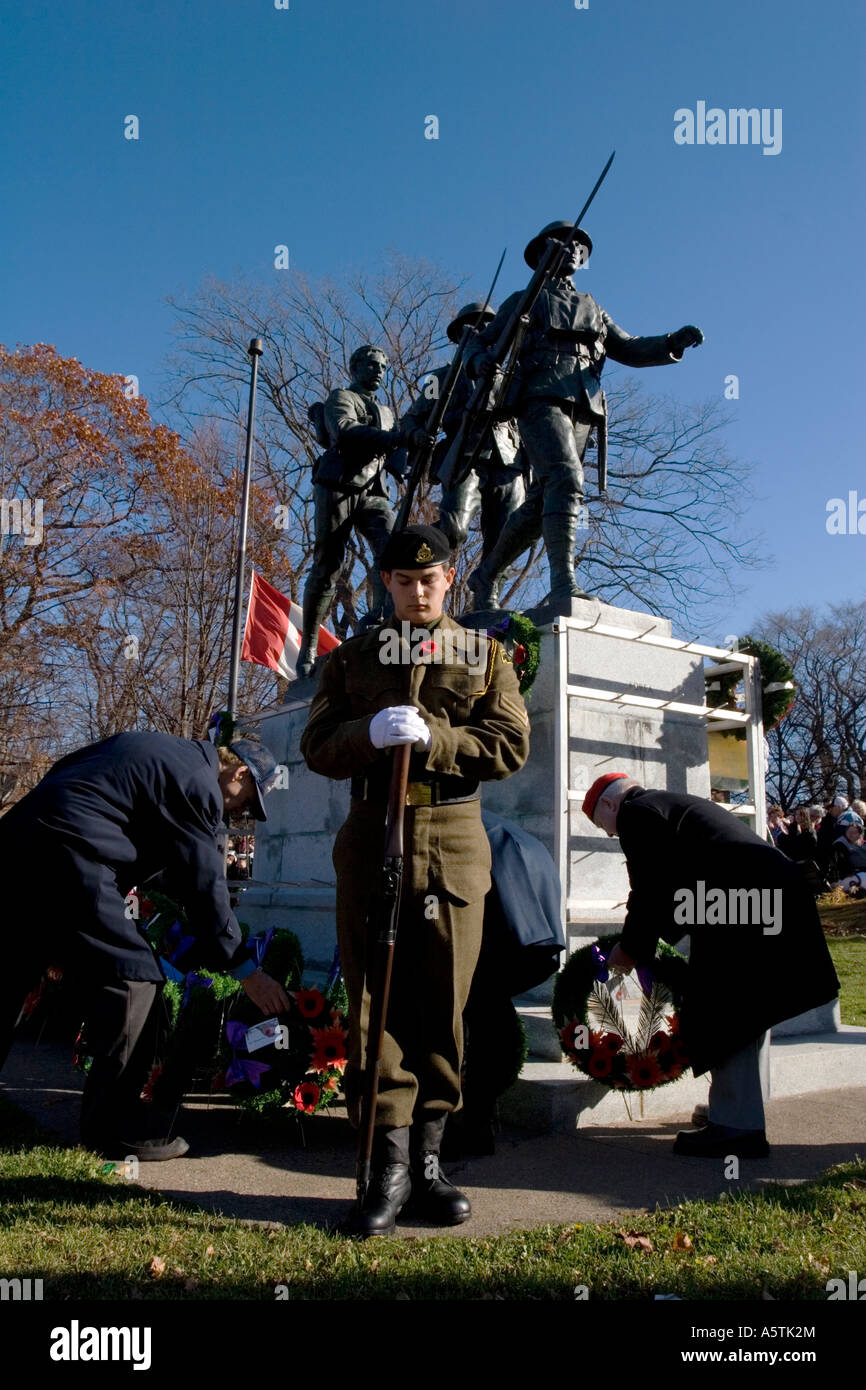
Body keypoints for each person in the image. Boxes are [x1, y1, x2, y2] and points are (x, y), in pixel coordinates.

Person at [300, 524, 530, 1234]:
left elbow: (509, 744)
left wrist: (440, 738)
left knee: (442, 1008)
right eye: (403, 580)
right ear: (386, 582)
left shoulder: (486, 655)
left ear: (451, 578)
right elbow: (316, 745)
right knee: (376, 1010)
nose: (418, 591)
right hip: (375, 835)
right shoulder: (352, 659)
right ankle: (385, 1170)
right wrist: (366, 734)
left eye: (429, 580)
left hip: (454, 840)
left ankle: (430, 1165)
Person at [0, 733, 289, 1160]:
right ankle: (113, 1130)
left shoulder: (160, 751)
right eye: (248, 799)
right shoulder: (199, 783)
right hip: (72, 853)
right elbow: (205, 885)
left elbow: (69, 772)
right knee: (135, 978)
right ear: (238, 771)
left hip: (19, 845)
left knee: (12, 971)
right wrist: (245, 969)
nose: (242, 811)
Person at [583, 773, 839, 1158]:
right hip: (764, 895)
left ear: (608, 804)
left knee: (725, 1006)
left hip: (741, 904)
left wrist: (629, 951)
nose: (609, 836)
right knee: (752, 1006)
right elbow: (673, 886)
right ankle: (738, 1111)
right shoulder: (666, 805)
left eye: (603, 827)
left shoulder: (636, 812)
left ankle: (736, 1127)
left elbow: (650, 890)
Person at [464, 221, 703, 610]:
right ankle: (563, 584)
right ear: (542, 252)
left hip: (583, 404)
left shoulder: (593, 307)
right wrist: (478, 362)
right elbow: (480, 342)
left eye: (580, 246)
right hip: (539, 397)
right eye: (563, 243)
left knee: (545, 496)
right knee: (565, 478)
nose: (572, 249)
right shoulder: (524, 299)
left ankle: (487, 573)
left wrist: (672, 343)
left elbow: (630, 347)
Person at [296, 345, 404, 678]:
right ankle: (309, 646)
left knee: (393, 554)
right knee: (329, 564)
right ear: (355, 367)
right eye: (372, 365)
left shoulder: (387, 413)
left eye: (383, 367)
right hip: (338, 483)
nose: (379, 371)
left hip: (374, 491)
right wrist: (392, 439)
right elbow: (344, 430)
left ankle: (381, 621)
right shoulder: (341, 397)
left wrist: (416, 449)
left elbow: (399, 459)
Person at [402, 302, 526, 558]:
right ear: (460, 335)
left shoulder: (514, 375)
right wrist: (418, 435)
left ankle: (487, 595)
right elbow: (412, 419)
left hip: (509, 460)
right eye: (474, 325)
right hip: (464, 458)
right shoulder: (441, 379)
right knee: (453, 529)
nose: (482, 330)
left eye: (489, 325)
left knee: (506, 543)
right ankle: (408, 556)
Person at [827, 811, 866, 883]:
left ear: (860, 834)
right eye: (849, 832)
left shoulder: (863, 843)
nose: (850, 835)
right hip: (849, 877)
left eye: (854, 832)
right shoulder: (840, 844)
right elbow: (841, 865)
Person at [816, 795, 850, 873]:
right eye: (827, 808)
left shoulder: (847, 817)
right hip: (830, 855)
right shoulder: (829, 819)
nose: (830, 810)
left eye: (831, 807)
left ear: (838, 807)